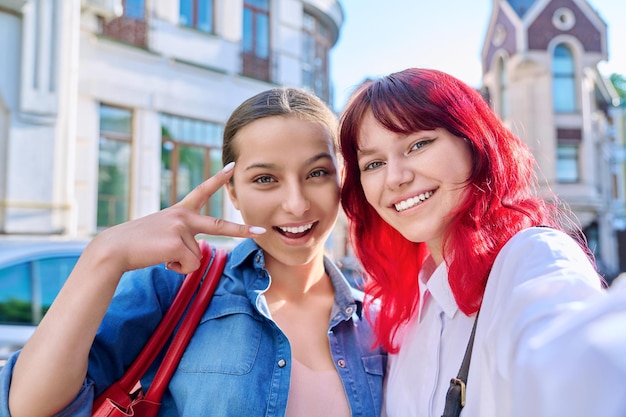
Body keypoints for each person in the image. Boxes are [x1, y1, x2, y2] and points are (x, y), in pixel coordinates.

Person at [1, 87, 386, 417]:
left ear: (342, 179)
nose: (297, 204)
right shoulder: (175, 285)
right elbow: (31, 406)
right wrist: (106, 252)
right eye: (265, 179)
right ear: (232, 192)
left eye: (316, 173)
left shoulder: (377, 321)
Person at [337, 68, 604, 417]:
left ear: (472, 141)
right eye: (373, 163)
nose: (396, 178)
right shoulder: (408, 311)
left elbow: (582, 364)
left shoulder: (531, 259)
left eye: (418, 144)